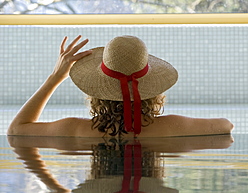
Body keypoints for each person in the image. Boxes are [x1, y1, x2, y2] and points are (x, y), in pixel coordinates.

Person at [7, 35, 234, 138]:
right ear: (154, 91)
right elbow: (226, 126)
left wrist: (55, 77)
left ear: (95, 92)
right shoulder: (174, 127)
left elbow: (16, 130)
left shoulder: (73, 130)